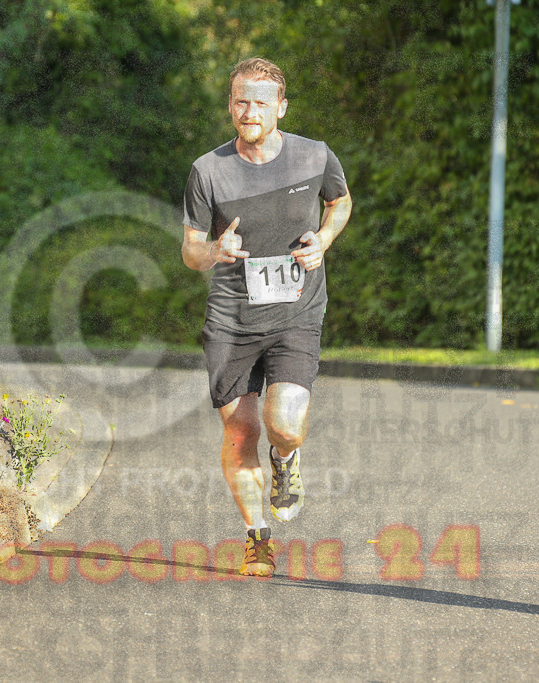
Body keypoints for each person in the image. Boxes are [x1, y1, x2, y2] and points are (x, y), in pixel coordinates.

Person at [181, 57, 352, 577]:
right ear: (230, 104)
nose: (247, 110)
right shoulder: (208, 171)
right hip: (232, 319)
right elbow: (190, 251)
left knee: (284, 425)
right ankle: (258, 538)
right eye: (239, 100)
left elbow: (340, 204)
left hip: (296, 313)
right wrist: (215, 250)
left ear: (280, 106)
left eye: (259, 102)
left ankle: (286, 460)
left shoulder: (314, 157)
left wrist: (322, 241)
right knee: (240, 432)